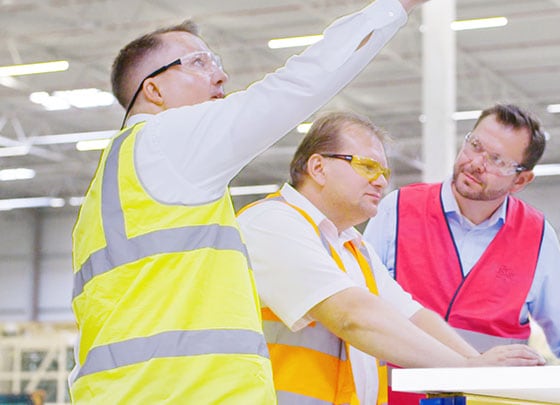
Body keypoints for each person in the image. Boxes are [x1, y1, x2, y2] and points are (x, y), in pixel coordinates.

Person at [69, 1, 430, 403]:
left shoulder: (109, 189)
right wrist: (394, 8)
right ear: (153, 90)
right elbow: (294, 87)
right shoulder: (164, 141)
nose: (221, 75)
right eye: (199, 62)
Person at [236, 111, 546, 405]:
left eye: (383, 172)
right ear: (318, 168)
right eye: (367, 167)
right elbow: (351, 315)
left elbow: (412, 316)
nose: (382, 182)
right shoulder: (271, 223)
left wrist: (475, 365)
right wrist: (465, 367)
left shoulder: (353, 246)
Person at [364, 104, 560, 368]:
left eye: (496, 160)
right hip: (400, 393)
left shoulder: (536, 235)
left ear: (521, 181)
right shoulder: (398, 209)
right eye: (475, 145)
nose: (476, 163)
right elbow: (363, 304)